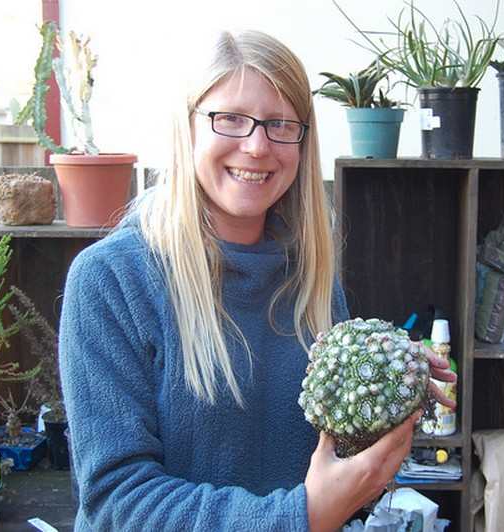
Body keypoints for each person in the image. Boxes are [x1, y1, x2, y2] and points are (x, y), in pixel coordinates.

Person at [59, 29, 455, 531]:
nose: (257, 145)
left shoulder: (310, 277)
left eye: (279, 123)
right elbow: (117, 502)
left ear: (301, 140)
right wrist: (302, 517)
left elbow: (335, 453)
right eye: (230, 119)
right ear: (189, 127)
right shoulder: (112, 280)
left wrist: (388, 375)